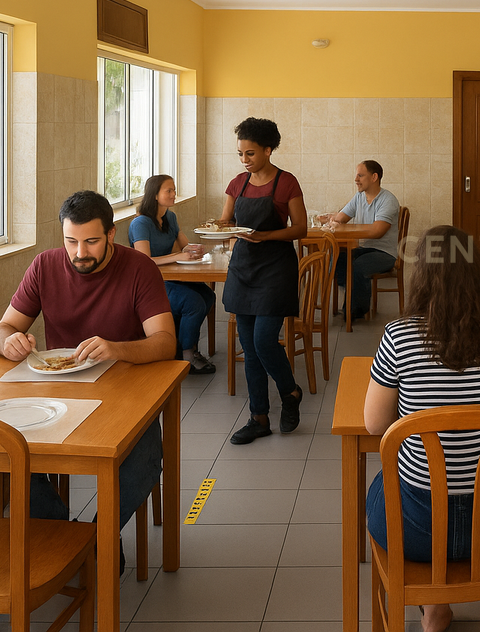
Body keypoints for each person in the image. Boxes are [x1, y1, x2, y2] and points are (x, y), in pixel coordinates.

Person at [363, 224, 480, 632]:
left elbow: (374, 424)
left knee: (380, 486)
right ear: (478, 273)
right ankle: (441, 605)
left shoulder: (399, 337)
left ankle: (434, 606)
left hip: (414, 530)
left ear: (422, 275)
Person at [0, 190, 176, 571]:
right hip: (56, 394)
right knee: (10, 450)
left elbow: (165, 342)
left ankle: (99, 535)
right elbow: (7, 325)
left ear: (111, 234)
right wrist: (9, 340)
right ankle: (67, 538)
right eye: (71, 241)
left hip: (126, 394)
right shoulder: (45, 266)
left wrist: (116, 349)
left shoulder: (138, 268)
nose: (79, 253)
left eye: (91, 241)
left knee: (147, 454)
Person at [219, 117, 308, 445]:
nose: (244, 160)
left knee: (263, 341)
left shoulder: (287, 183)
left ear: (268, 150)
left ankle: (290, 392)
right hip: (243, 269)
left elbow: (301, 228)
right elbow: (226, 221)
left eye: (251, 153)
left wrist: (266, 235)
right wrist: (219, 227)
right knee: (249, 347)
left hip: (275, 270)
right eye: (240, 154)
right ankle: (258, 417)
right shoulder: (236, 184)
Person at [129, 174, 217, 374]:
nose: (173, 194)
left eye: (174, 190)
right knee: (193, 303)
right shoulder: (140, 223)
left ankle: (183, 346)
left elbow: (185, 245)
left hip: (170, 277)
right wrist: (177, 255)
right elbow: (144, 260)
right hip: (149, 284)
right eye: (168, 191)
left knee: (208, 296)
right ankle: (187, 356)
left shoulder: (170, 217)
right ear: (154, 195)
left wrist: (195, 249)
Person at [320, 160, 400, 320]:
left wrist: (349, 230)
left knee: (356, 267)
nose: (356, 179)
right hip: (364, 250)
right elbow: (341, 218)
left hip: (384, 253)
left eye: (360, 175)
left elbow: (378, 232)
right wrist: (329, 218)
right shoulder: (359, 197)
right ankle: (356, 296)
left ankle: (355, 311)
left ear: (374, 177)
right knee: (336, 260)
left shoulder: (388, 200)